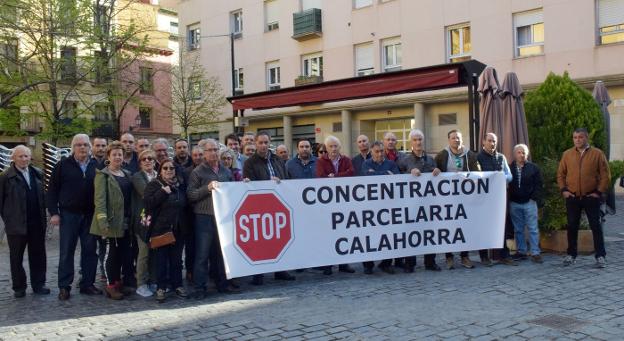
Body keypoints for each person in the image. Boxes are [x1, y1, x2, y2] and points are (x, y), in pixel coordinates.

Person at [47, 133, 101, 300]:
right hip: (69, 214)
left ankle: (87, 284)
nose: (82, 147)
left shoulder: (96, 166)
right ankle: (64, 286)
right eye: (79, 145)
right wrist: (54, 213)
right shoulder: (62, 165)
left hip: (90, 215)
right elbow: (52, 191)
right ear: (73, 148)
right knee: (66, 251)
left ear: (90, 148)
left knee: (90, 250)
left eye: (85, 144)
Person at [243, 132, 296, 285]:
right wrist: (267, 182)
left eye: (266, 142)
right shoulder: (250, 163)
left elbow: (286, 179)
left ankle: (280, 270)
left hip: (278, 204)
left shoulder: (277, 159)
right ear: (255, 143)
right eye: (260, 142)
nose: (263, 145)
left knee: (278, 238)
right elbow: (250, 183)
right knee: (259, 240)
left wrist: (280, 182)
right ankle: (258, 273)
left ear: (269, 142)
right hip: (259, 205)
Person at [188, 139, 239, 297]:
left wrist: (243, 184)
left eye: (216, 149)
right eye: (210, 150)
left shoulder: (225, 171)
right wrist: (207, 188)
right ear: (203, 153)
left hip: (222, 217)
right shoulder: (198, 172)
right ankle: (199, 288)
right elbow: (191, 195)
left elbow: (233, 191)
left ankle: (222, 284)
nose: (214, 153)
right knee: (202, 254)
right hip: (205, 217)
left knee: (221, 253)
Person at [557, 128, 610, 268]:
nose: (577, 140)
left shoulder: (597, 154)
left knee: (596, 226)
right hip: (572, 197)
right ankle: (571, 255)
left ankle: (600, 256)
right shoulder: (567, 154)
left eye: (580, 137)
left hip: (591, 196)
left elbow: (605, 175)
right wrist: (564, 190)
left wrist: (598, 192)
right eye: (575, 137)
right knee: (572, 226)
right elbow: (560, 174)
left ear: (586, 138)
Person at [0, 145, 49, 298]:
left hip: (36, 222)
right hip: (16, 224)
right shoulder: (5, 177)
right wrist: (9, 218)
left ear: (30, 157)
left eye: (26, 156)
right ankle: (19, 287)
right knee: (16, 258)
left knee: (38, 255)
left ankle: (38, 284)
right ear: (13, 158)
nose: (24, 159)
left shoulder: (38, 173)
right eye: (20, 156)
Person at [90, 141, 135, 300]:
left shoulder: (127, 174)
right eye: (114, 154)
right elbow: (100, 201)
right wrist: (103, 223)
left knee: (123, 254)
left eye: (120, 154)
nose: (117, 157)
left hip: (125, 221)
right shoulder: (102, 175)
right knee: (110, 255)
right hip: (110, 222)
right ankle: (110, 286)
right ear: (109, 157)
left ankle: (117, 282)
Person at [434, 129, 481, 270]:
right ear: (448, 140)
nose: (456, 140)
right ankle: (449, 257)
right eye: (453, 138)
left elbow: (478, 173)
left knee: (464, 226)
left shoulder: (471, 155)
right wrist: (435, 171)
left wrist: (468, 176)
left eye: (458, 138)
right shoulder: (442, 155)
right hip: (447, 198)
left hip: (465, 198)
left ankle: (464, 256)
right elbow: (434, 170)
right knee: (448, 227)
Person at [397, 129, 442, 272]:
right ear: (411, 142)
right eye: (415, 140)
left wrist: (437, 172)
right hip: (410, 205)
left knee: (429, 232)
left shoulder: (430, 159)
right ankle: (410, 264)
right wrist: (408, 174)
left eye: (420, 139)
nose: (418, 142)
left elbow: (436, 176)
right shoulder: (404, 160)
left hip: (429, 203)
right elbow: (395, 180)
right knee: (411, 232)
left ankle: (430, 262)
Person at [144, 159, 189, 302]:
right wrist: (162, 192)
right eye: (165, 168)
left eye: (171, 168)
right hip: (161, 229)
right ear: (160, 170)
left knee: (176, 260)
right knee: (161, 261)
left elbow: (185, 205)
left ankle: (178, 285)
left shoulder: (180, 186)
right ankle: (161, 288)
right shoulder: (154, 185)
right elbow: (148, 204)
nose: (169, 170)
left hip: (178, 229)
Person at [316, 135, 356, 275]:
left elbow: (351, 173)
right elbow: (321, 177)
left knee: (344, 233)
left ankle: (343, 264)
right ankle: (328, 265)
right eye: (330, 146)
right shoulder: (321, 161)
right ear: (326, 148)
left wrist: (335, 177)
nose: (333, 149)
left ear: (340, 147)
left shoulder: (346, 160)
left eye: (336, 146)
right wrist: (339, 176)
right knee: (328, 235)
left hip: (344, 202)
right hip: (327, 204)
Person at [476, 133, 516, 266]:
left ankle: (503, 255)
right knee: (483, 225)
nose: (492, 143)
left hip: (500, 198)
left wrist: (501, 178)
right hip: (484, 198)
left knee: (501, 226)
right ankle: (484, 257)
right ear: (483, 142)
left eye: (494, 141)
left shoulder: (501, 157)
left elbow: (509, 175)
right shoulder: (478, 157)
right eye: (489, 141)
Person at [361, 141, 400, 275]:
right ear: (371, 152)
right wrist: (385, 174)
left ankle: (386, 263)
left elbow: (396, 178)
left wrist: (376, 173)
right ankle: (368, 265)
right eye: (377, 151)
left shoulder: (391, 164)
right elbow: (367, 177)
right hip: (371, 206)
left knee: (388, 236)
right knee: (369, 235)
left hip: (388, 205)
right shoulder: (366, 164)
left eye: (382, 151)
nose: (380, 154)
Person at [509, 144, 544, 263]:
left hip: (529, 202)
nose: (521, 155)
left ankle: (535, 252)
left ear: (527, 154)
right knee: (518, 229)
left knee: (533, 228)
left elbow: (539, 184)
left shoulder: (533, 168)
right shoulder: (509, 168)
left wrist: (533, 198)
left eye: (523, 152)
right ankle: (521, 251)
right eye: (519, 152)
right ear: (514, 154)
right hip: (514, 203)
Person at [131, 149, 158, 297]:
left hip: (157, 220)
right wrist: (163, 190)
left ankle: (153, 280)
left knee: (155, 251)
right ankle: (141, 283)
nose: (148, 161)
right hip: (143, 221)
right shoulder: (137, 177)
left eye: (151, 158)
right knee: (144, 252)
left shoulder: (159, 175)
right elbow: (146, 192)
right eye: (144, 159)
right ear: (140, 162)